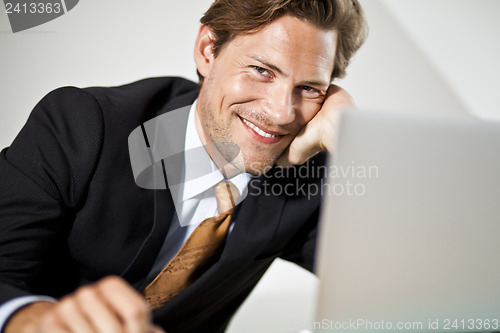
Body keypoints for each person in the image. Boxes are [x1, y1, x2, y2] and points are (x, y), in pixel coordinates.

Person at [0, 0, 367, 332]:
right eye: (262, 70)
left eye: (309, 88)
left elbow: (404, 278)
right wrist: (31, 320)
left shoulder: (306, 179)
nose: (280, 113)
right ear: (208, 51)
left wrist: (353, 142)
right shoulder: (83, 126)